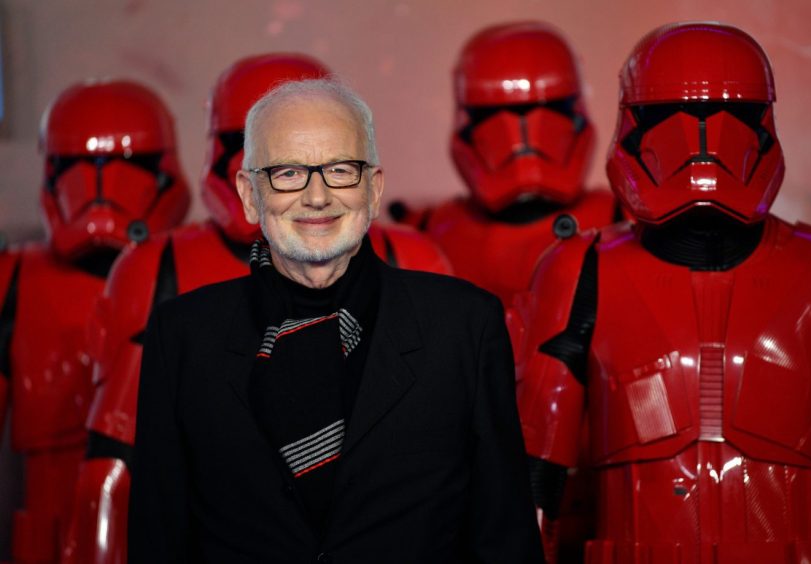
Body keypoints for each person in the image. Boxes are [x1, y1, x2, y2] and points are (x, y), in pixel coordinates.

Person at [127, 77, 543, 563]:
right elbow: (158, 541)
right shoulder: (181, 338)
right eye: (287, 173)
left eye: (341, 170)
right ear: (248, 193)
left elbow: (506, 540)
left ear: (373, 188)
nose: (317, 197)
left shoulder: (465, 326)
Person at [512, 22, 811, 563]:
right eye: (670, 120)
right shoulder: (577, 271)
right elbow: (533, 487)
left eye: (727, 119)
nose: (701, 146)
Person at [0, 79, 190, 564]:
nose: (99, 187)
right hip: (49, 536)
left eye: (127, 166)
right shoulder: (15, 279)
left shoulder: (199, 266)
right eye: (77, 166)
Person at [391, 21, 618, 307]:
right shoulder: (429, 233)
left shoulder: (622, 224)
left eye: (549, 110)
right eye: (492, 116)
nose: (523, 137)